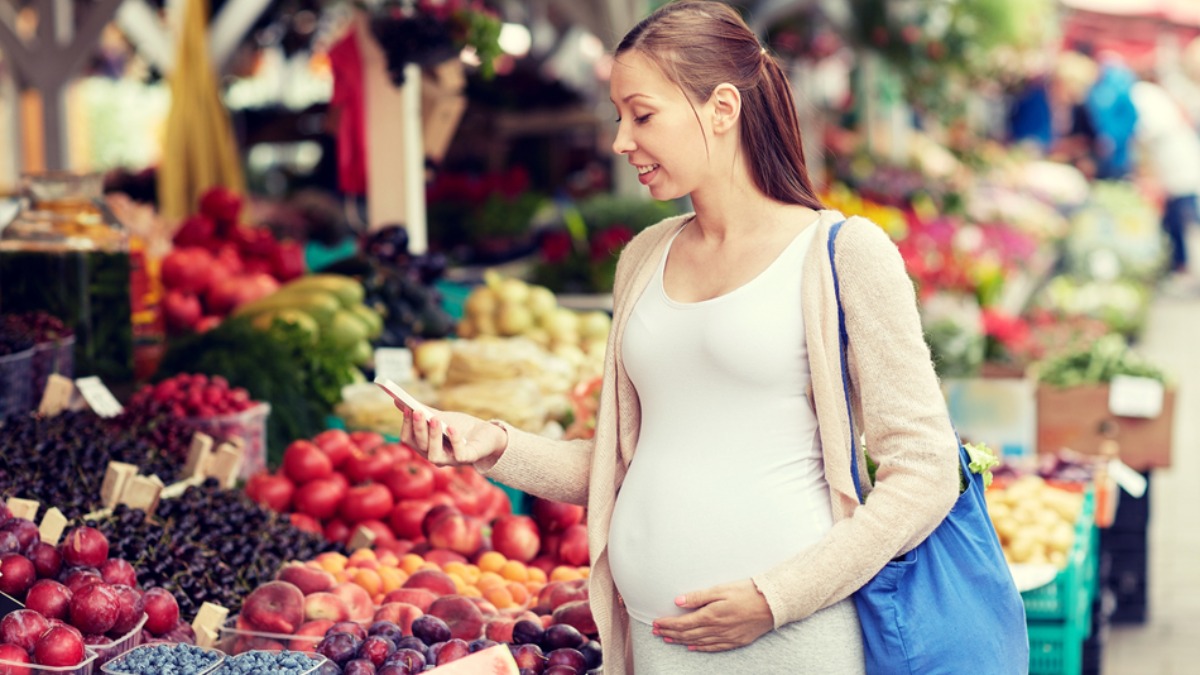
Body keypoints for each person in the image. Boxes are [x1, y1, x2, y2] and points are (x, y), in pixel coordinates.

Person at [397, 2, 960, 673]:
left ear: (721, 108)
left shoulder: (843, 254)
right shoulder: (643, 256)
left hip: (788, 643)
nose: (619, 141)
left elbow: (925, 469)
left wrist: (775, 597)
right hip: (651, 641)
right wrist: (495, 443)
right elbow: (625, 465)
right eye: (617, 116)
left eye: (641, 114)